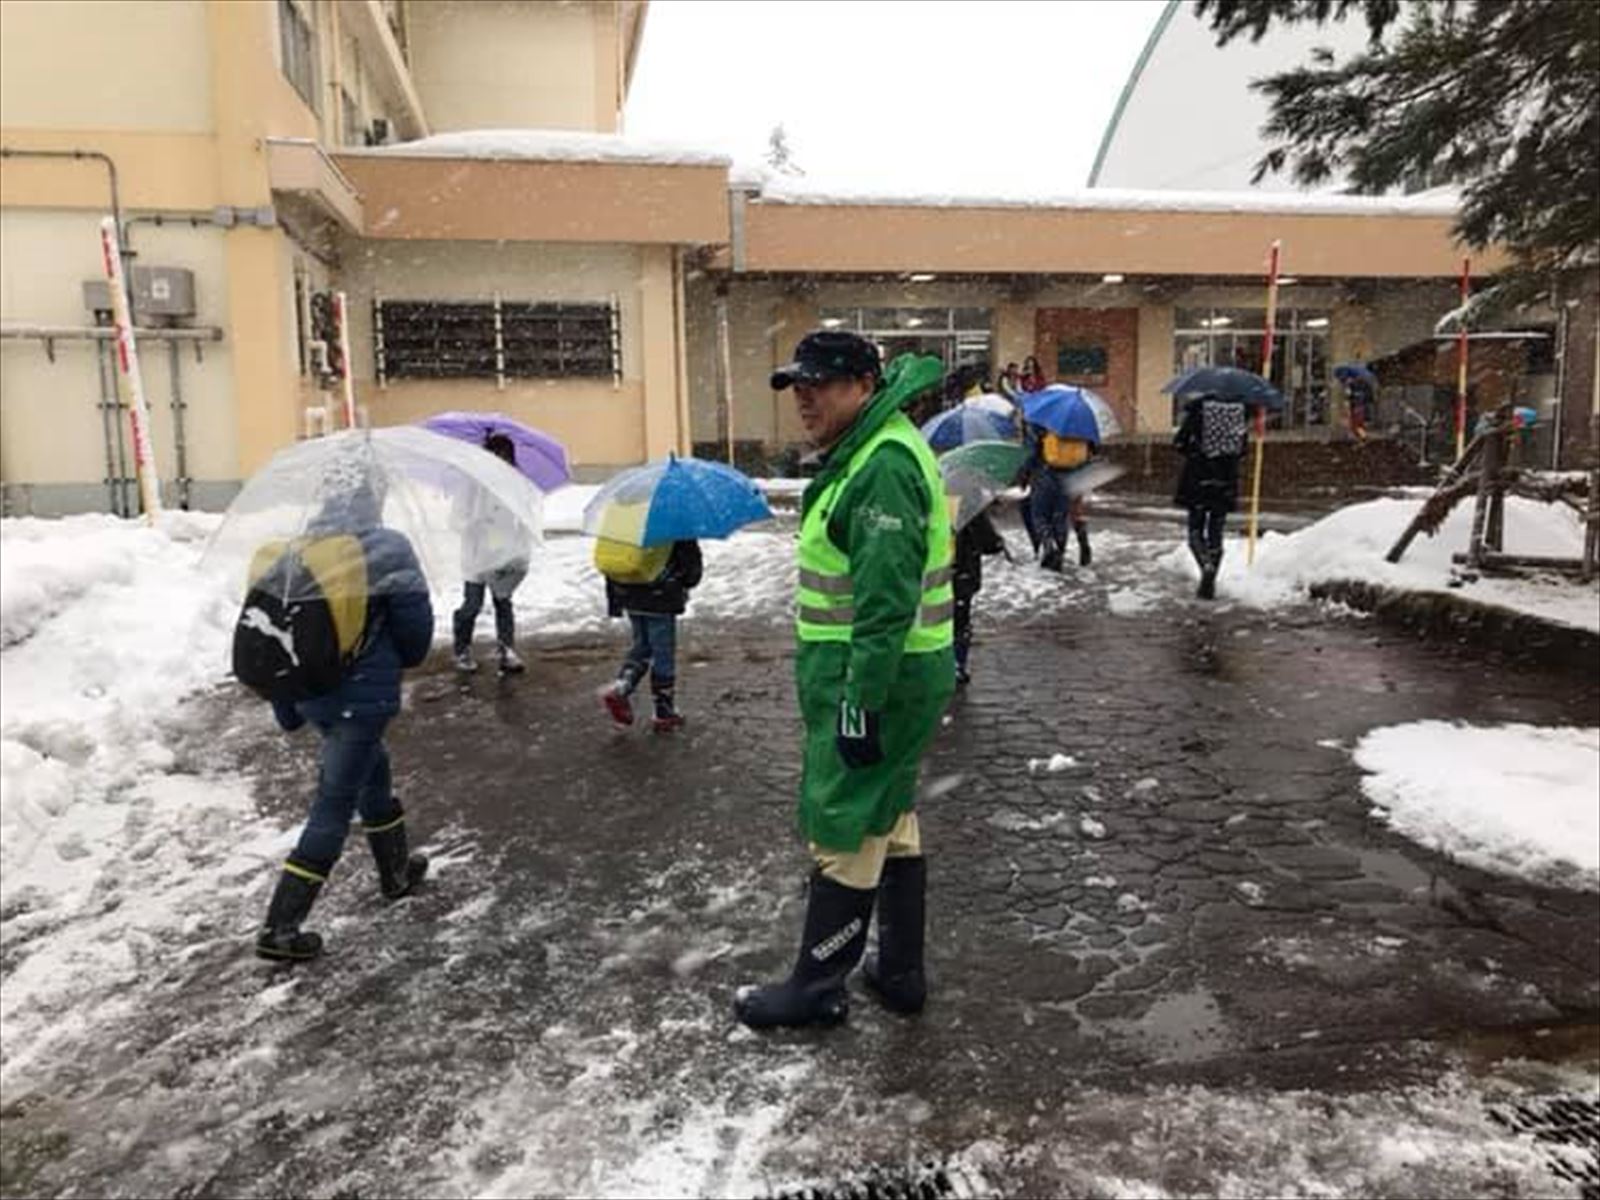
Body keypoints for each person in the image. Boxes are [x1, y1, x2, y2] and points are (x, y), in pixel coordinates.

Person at [735, 330, 955, 1030]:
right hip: (886, 670)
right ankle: (900, 972)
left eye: (821, 383)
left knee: (844, 819)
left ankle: (817, 986)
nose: (805, 397)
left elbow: (886, 601)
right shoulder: (866, 450)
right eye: (797, 385)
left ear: (863, 384)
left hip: (877, 675)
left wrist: (860, 703)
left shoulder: (882, 464)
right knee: (887, 813)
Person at [255, 464, 435, 961]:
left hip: (313, 692)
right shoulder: (386, 547)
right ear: (374, 497)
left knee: (372, 773)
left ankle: (396, 873)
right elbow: (416, 632)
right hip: (362, 697)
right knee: (333, 804)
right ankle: (280, 929)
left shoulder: (298, 548)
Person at [600, 538, 703, 732]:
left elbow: (611, 561)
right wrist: (684, 582)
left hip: (629, 594)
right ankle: (664, 712)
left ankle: (622, 685)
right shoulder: (674, 521)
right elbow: (692, 572)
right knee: (662, 653)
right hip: (660, 598)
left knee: (643, 647)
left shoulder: (626, 518)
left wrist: (615, 602)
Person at [452, 433, 533, 674]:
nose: (501, 460)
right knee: (472, 605)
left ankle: (506, 650)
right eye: (496, 454)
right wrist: (474, 522)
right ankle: (462, 649)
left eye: (506, 455)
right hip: (476, 556)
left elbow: (522, 519)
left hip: (504, 555)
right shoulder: (472, 483)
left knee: (503, 602)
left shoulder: (515, 484)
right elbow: (455, 519)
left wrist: (521, 548)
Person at [1173, 391, 1249, 600]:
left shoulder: (1198, 412)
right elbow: (1243, 450)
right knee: (1216, 530)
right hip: (1224, 481)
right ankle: (1211, 579)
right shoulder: (1237, 414)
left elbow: (1179, 442)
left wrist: (1194, 451)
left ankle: (1205, 564)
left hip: (1198, 478)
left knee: (1195, 530)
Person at [953, 507, 1005, 685]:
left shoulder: (922, 494)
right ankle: (957, 664)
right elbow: (987, 541)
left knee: (933, 622)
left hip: (931, 572)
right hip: (961, 571)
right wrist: (998, 542)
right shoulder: (968, 502)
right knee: (960, 623)